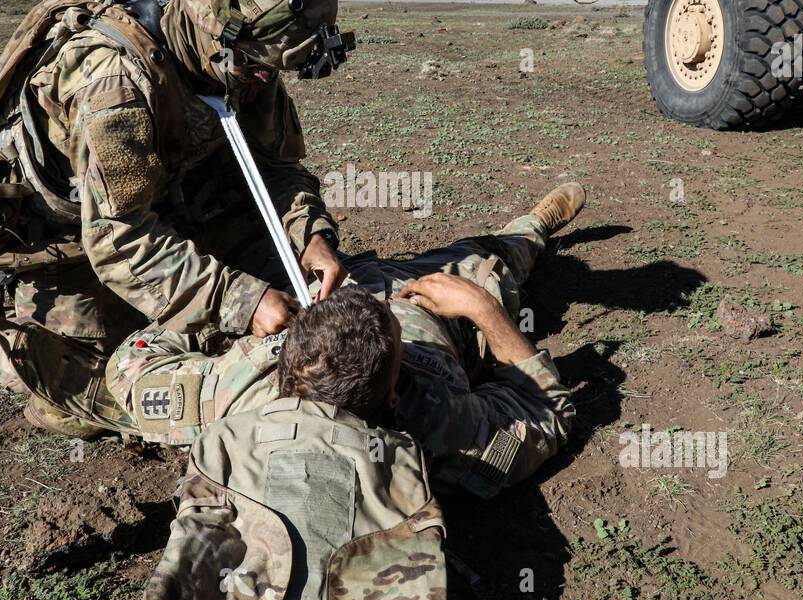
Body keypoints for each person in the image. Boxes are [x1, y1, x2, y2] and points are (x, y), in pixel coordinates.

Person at [0, 0, 350, 439]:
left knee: (292, 301)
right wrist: (239, 300)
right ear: (218, 30)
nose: (265, 79)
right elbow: (118, 238)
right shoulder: (116, 85)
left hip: (171, 206)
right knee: (108, 394)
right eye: (258, 65)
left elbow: (274, 166)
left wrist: (310, 234)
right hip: (76, 243)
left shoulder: (248, 56)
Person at [96, 183, 585, 499]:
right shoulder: (437, 423)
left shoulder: (229, 391)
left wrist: (234, 314)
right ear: (395, 396)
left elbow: (128, 368)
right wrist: (483, 310)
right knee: (494, 257)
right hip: (444, 305)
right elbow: (548, 414)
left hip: (340, 280)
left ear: (286, 359)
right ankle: (532, 228)